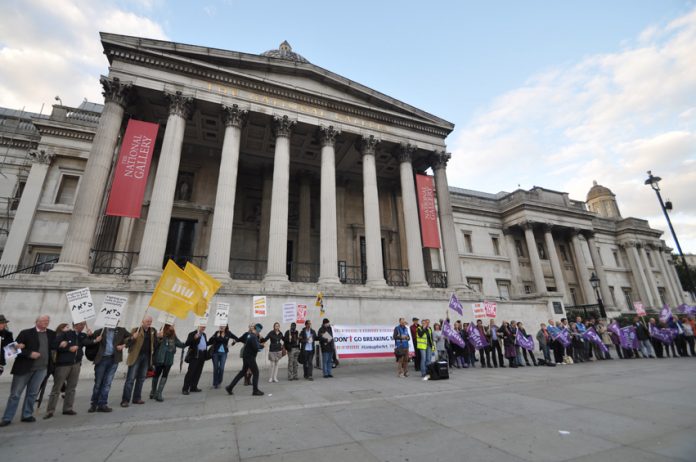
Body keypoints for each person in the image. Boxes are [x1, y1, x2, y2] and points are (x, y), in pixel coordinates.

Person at [1, 315, 56, 426]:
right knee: (15, 394)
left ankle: (27, 415)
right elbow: (13, 349)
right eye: (44, 321)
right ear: (37, 322)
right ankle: (7, 418)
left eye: (48, 321)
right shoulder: (25, 333)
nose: (46, 322)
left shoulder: (51, 333)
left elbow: (55, 347)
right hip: (24, 368)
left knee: (32, 393)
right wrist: (29, 353)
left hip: (42, 369)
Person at [45, 321, 94, 419]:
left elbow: (89, 344)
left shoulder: (82, 335)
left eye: (84, 325)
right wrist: (67, 348)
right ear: (75, 325)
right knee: (57, 388)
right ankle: (50, 410)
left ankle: (68, 408)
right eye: (81, 325)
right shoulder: (65, 334)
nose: (83, 327)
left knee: (71, 387)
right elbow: (53, 345)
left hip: (76, 364)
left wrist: (91, 336)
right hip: (63, 364)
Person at [89, 324, 130, 413]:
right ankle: (94, 404)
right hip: (102, 359)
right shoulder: (100, 331)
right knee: (98, 383)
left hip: (113, 359)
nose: (115, 322)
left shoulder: (121, 330)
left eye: (117, 320)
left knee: (107, 383)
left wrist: (123, 345)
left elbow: (131, 338)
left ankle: (103, 404)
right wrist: (91, 336)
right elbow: (89, 341)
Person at [121, 315, 156, 407]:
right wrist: (133, 337)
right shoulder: (135, 330)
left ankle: (137, 398)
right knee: (130, 379)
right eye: (147, 321)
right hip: (136, 356)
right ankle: (125, 400)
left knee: (141, 378)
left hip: (146, 357)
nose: (149, 323)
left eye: (150, 321)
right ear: (142, 322)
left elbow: (155, 343)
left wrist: (159, 337)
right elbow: (126, 343)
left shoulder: (152, 331)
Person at [225, 323, 264, 396]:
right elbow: (256, 347)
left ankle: (230, 387)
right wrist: (262, 346)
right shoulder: (253, 336)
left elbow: (251, 344)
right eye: (260, 330)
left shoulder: (250, 335)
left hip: (246, 356)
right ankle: (255, 391)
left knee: (242, 372)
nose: (260, 332)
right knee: (256, 372)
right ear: (258, 329)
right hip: (250, 357)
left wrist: (260, 344)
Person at [151, 324, 184, 402]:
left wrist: (191, 341)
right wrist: (158, 337)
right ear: (167, 326)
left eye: (173, 325)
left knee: (165, 375)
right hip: (160, 359)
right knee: (156, 374)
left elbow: (180, 344)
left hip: (169, 360)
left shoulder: (173, 336)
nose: (173, 326)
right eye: (172, 325)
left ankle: (159, 393)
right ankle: (153, 391)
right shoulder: (161, 335)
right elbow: (154, 345)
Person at [182, 325, 208, 395]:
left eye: (204, 327)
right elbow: (187, 343)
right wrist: (194, 338)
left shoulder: (204, 334)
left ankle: (193, 387)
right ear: (198, 326)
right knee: (191, 372)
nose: (203, 328)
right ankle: (185, 388)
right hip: (195, 355)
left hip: (202, 355)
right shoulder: (192, 334)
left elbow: (205, 343)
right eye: (202, 326)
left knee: (198, 372)